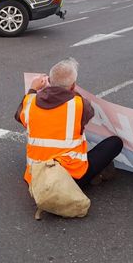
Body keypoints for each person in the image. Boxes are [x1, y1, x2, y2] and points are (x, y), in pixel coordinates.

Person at [15, 58, 124, 187]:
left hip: (37, 177)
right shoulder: (79, 104)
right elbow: (89, 113)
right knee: (115, 142)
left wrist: (33, 89)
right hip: (70, 179)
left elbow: (19, 115)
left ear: (49, 81)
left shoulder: (30, 103)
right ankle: (96, 175)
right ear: (73, 85)